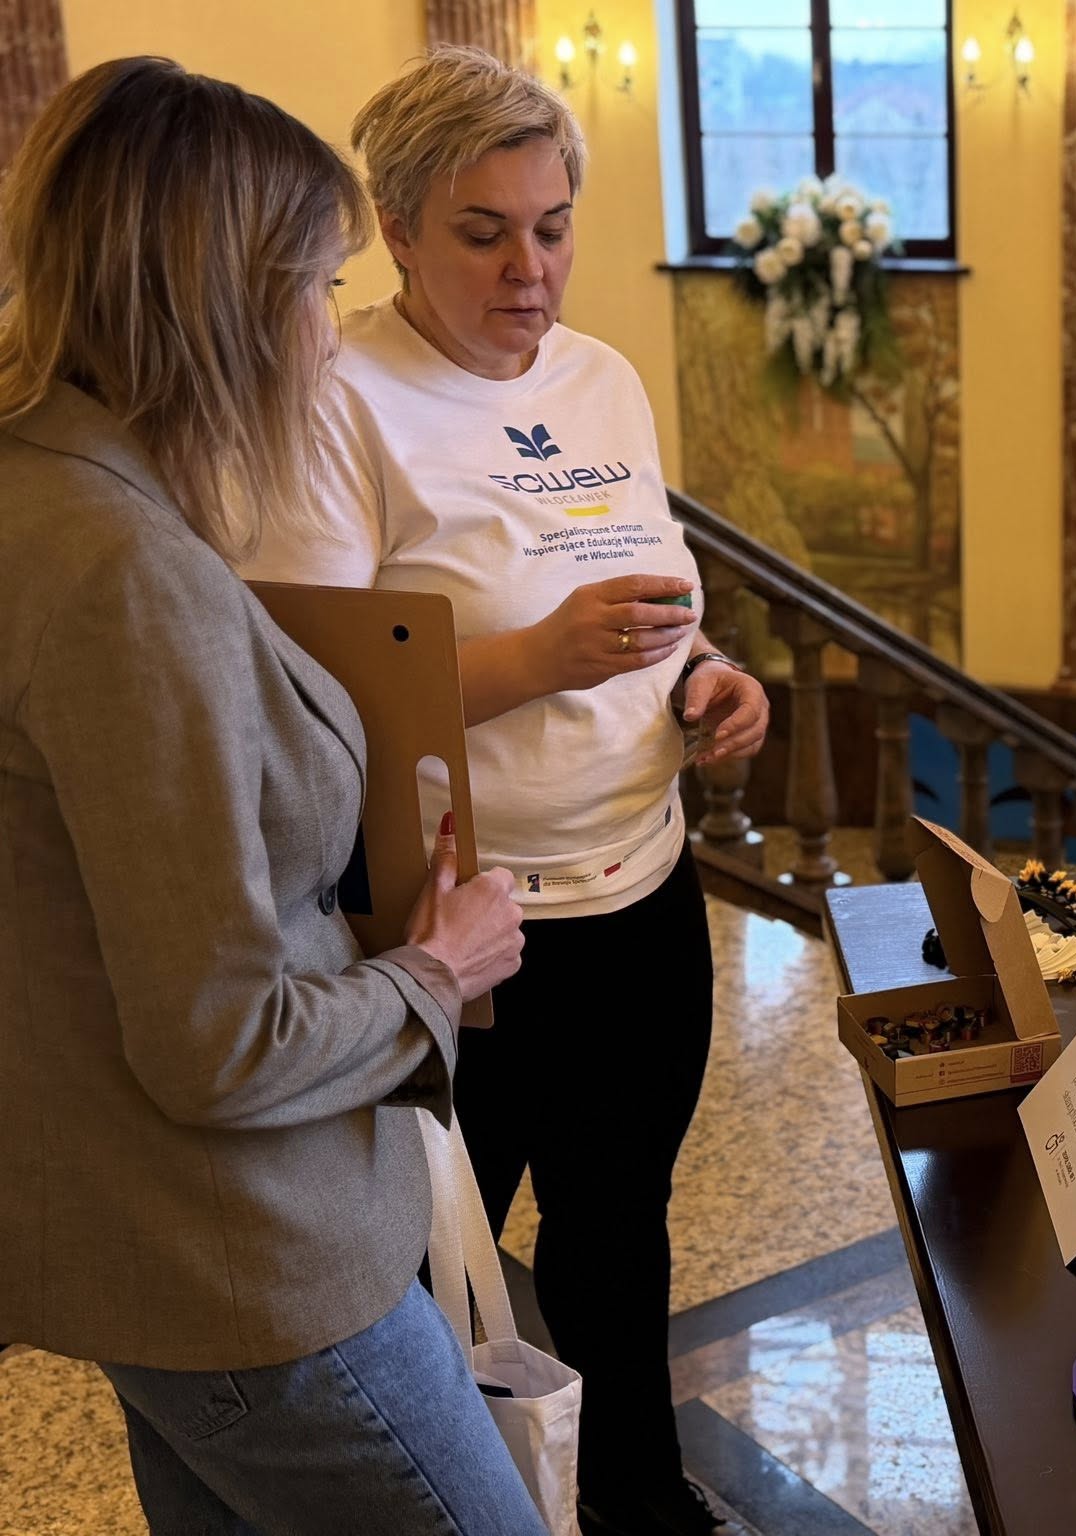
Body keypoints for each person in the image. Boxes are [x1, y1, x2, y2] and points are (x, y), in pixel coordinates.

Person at [0, 57, 544, 1535]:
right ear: (222, 304)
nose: (327, 332)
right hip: (248, 1257)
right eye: (319, 287)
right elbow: (218, 1042)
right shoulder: (123, 574)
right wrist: (438, 971)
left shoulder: (45, 484)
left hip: (144, 1242)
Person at [239, 46, 771, 1536]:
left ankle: (639, 1503)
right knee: (431, 1274)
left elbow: (657, 595)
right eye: (484, 233)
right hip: (460, 926)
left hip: (641, 890)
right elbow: (306, 700)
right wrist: (538, 659)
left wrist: (706, 676)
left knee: (620, 1234)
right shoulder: (336, 394)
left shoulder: (601, 379)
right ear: (398, 230)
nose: (529, 270)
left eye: (552, 226)